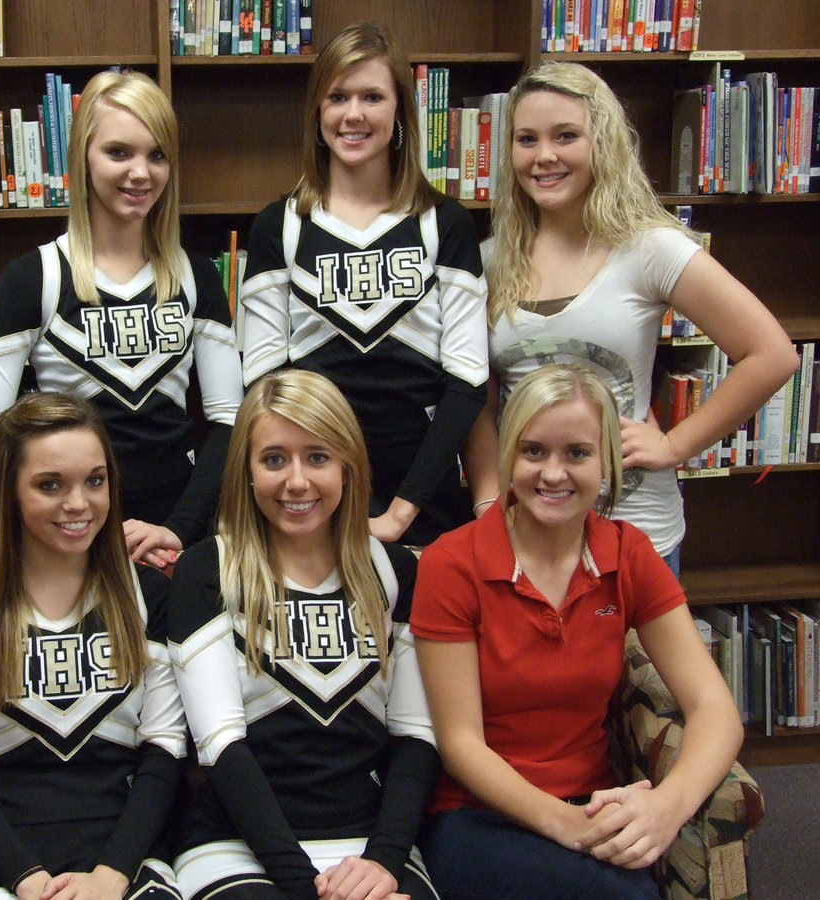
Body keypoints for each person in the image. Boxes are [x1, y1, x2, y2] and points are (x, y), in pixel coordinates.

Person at [412, 363, 743, 900]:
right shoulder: (453, 563)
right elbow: (461, 746)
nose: (553, 473)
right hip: (477, 815)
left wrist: (666, 807)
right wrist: (568, 829)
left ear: (607, 460)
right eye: (534, 451)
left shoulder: (628, 552)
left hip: (593, 803)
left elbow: (716, 710)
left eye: (577, 454)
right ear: (507, 457)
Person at [463, 61, 798, 570]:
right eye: (526, 139)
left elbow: (772, 354)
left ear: (603, 143)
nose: (544, 156)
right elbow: (481, 400)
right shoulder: (490, 260)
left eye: (566, 135)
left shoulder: (649, 249)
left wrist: (672, 443)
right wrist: (489, 504)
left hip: (634, 531)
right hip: (524, 531)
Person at [169, 368, 441, 900]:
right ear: (246, 471)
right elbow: (220, 744)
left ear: (347, 465)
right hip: (236, 847)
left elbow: (416, 736)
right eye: (274, 459)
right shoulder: (206, 571)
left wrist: (384, 861)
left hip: (369, 849)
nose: (297, 481)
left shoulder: (395, 572)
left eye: (317, 457)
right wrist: (306, 888)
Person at [0, 70, 243, 569]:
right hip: (66, 542)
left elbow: (228, 421)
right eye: (119, 153)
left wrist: (177, 530)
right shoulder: (34, 278)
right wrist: (68, 526)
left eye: (157, 155)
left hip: (174, 538)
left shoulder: (197, 276)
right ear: (82, 158)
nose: (141, 173)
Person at [239, 20, 489, 548]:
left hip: (424, 509)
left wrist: (401, 514)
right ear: (317, 112)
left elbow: (466, 385)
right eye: (337, 97)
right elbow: (265, 389)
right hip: (311, 509)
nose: (353, 114)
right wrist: (315, 502)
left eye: (372, 96)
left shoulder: (445, 224)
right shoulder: (277, 227)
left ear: (399, 110)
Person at [0, 391, 187, 900]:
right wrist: (26, 879)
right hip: (5, 870)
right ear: (7, 491)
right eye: (49, 485)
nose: (78, 503)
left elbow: (163, 750)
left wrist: (111, 876)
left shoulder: (150, 596)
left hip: (128, 863)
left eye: (94, 481)